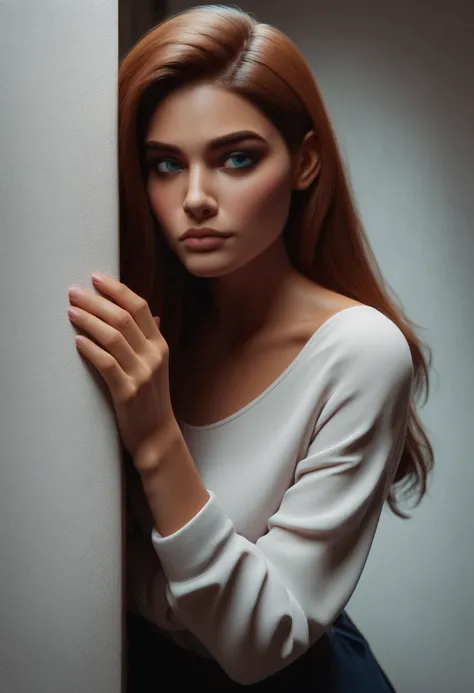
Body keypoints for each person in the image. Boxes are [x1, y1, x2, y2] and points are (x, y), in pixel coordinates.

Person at [118, 5, 434, 691]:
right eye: (165, 164)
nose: (195, 198)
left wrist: (154, 436)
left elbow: (259, 642)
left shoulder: (360, 351)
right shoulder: (154, 324)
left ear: (305, 160)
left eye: (237, 157)